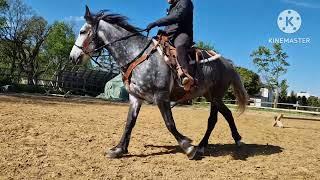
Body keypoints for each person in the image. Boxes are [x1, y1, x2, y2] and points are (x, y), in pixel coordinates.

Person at [147, 0, 194, 90]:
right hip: (169, 35)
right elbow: (169, 25)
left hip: (182, 34)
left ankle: (186, 76)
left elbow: (177, 16)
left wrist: (156, 23)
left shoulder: (185, 2)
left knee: (179, 45)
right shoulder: (172, 6)